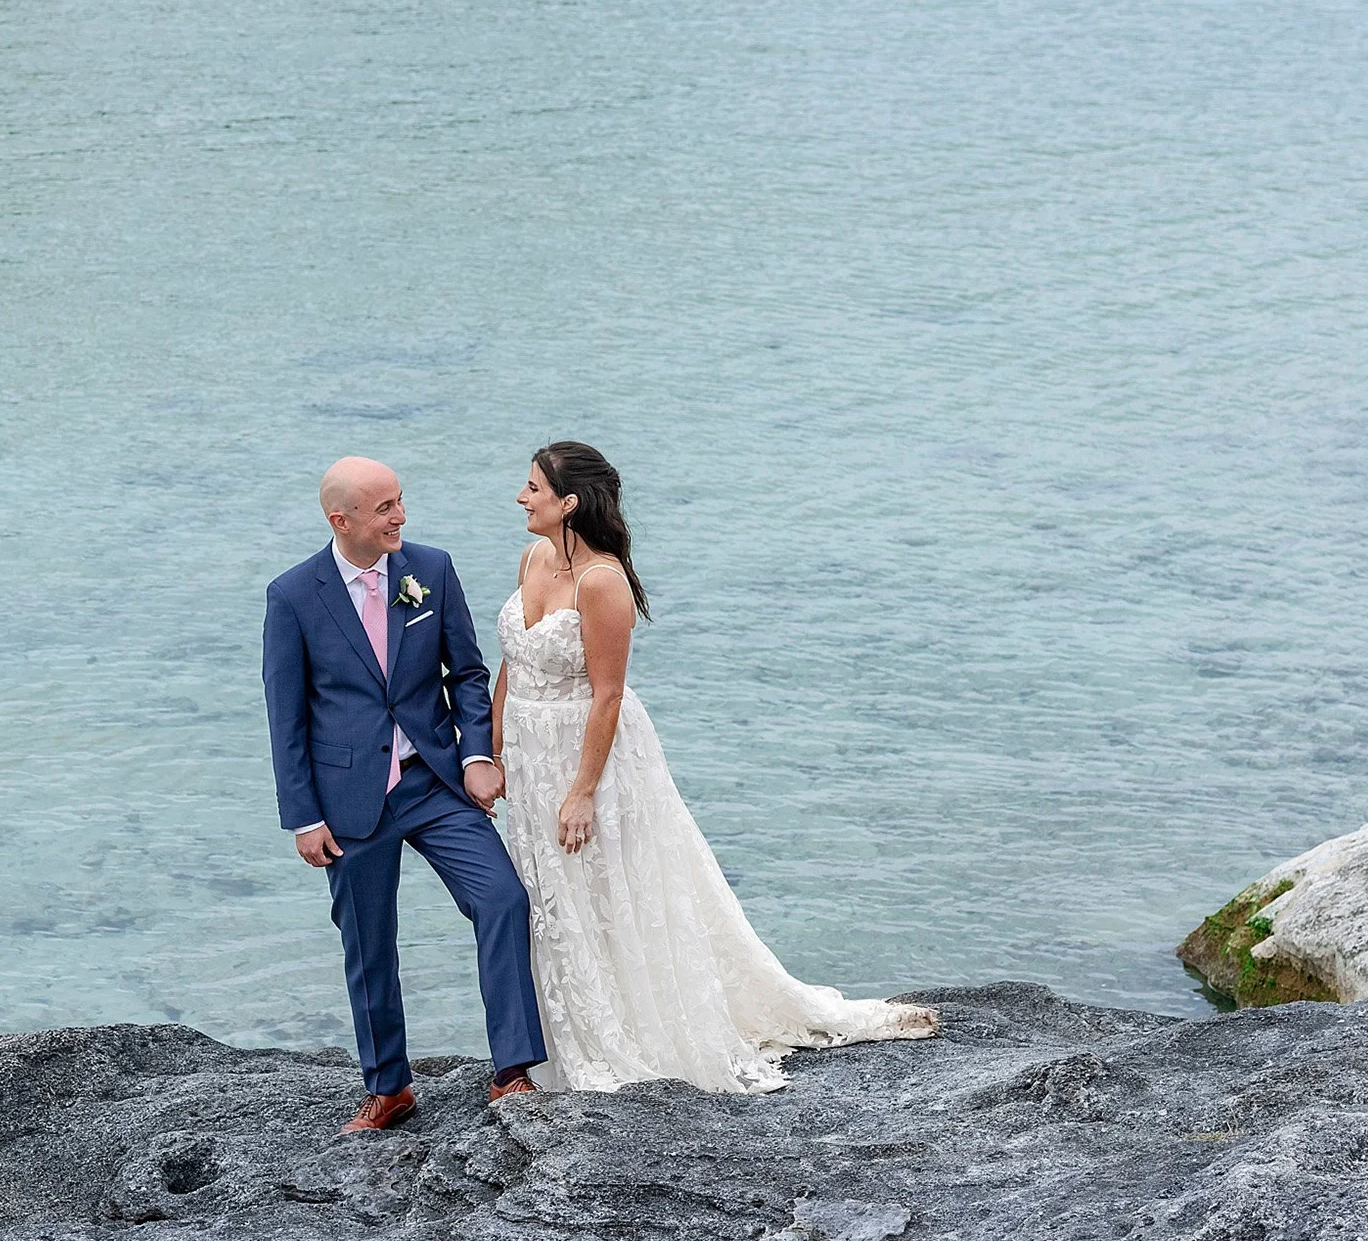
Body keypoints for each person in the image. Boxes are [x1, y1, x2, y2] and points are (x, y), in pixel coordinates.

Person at [492, 441, 938, 1093]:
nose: (521, 497)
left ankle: (625, 1030)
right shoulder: (533, 556)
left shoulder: (603, 582)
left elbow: (609, 693)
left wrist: (583, 791)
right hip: (530, 761)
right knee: (553, 896)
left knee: (605, 889)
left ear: (569, 502)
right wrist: (493, 746)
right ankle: (560, 1032)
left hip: (586, 757)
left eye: (533, 487)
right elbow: (514, 661)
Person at [262, 456, 547, 1131]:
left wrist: (478, 754)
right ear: (343, 520)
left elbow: (468, 672)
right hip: (348, 800)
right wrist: (303, 816)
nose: (401, 516)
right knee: (369, 941)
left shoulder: (431, 568)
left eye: (400, 501)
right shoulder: (293, 595)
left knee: (502, 898)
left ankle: (512, 1070)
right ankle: (389, 1086)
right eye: (385, 507)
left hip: (434, 779)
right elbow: (287, 715)